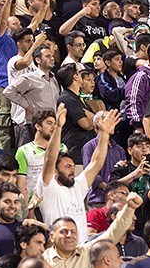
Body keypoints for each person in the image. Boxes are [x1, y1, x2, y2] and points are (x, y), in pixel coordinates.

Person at [38, 104, 118, 245]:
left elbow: (96, 163)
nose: (72, 170)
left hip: (81, 251)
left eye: (73, 166)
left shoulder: (77, 187)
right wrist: (58, 128)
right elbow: (50, 159)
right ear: (55, 171)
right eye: (67, 166)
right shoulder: (48, 188)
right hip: (58, 250)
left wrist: (104, 134)